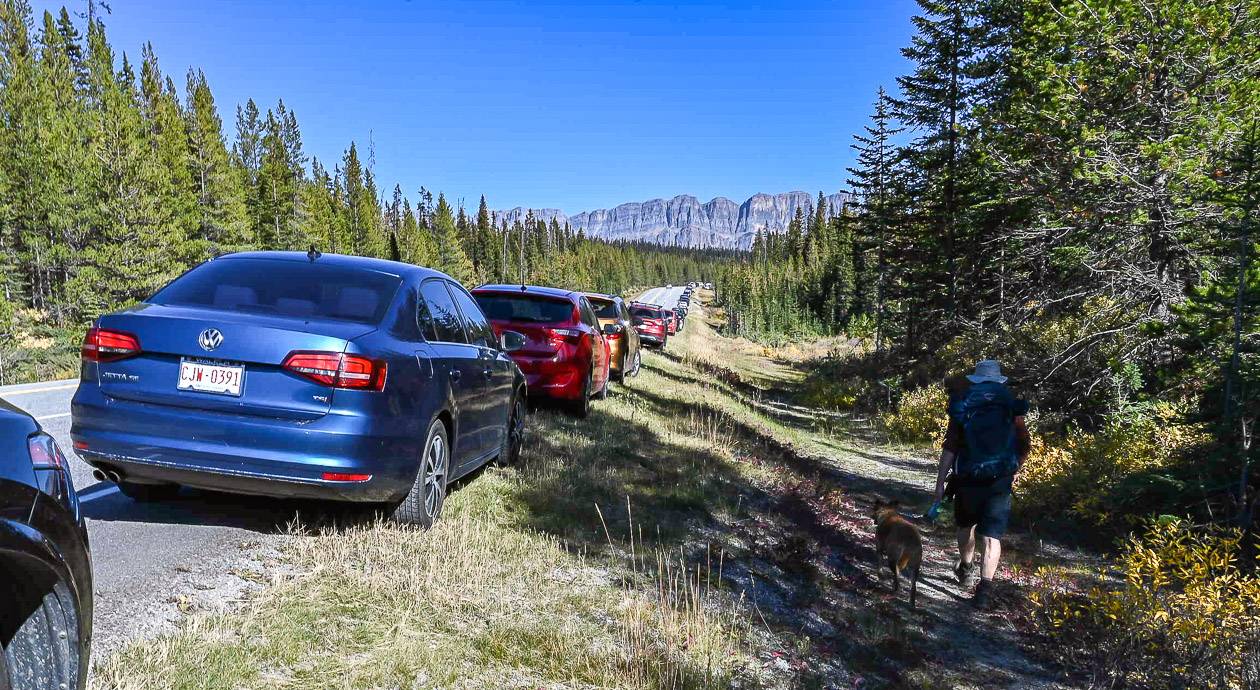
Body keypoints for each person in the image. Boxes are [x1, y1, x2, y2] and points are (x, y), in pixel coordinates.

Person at [927, 360, 1031, 610]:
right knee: (992, 536)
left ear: (977, 379)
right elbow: (1025, 444)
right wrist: (1015, 469)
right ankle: (984, 590)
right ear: (998, 381)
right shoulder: (1009, 404)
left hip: (968, 477)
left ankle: (966, 566)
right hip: (1000, 478)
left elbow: (950, 447)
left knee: (966, 525)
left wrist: (940, 483)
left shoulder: (965, 403)